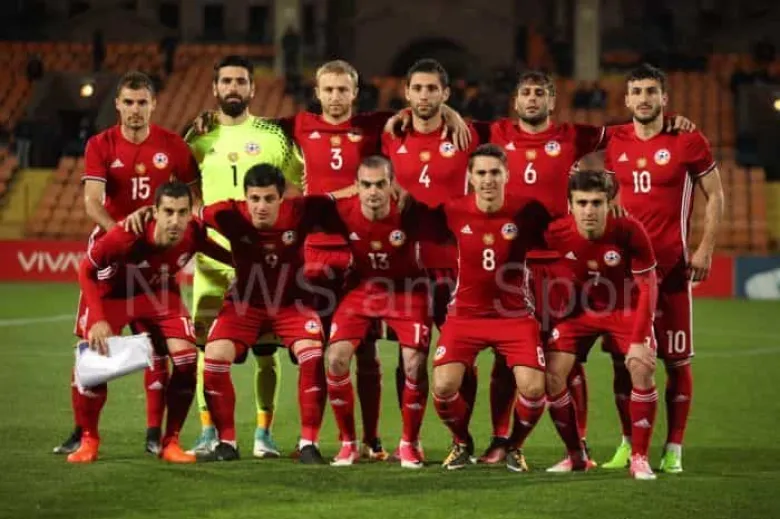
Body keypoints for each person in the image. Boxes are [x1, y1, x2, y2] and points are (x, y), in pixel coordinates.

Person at [53, 71, 198, 457]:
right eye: (129, 102)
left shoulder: (173, 146)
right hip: (113, 261)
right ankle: (83, 432)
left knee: (164, 350)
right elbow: (92, 201)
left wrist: (172, 230)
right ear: (117, 104)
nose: (135, 110)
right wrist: (120, 234)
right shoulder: (101, 144)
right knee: (92, 352)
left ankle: (157, 434)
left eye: (142, 103)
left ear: (154, 105)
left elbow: (193, 197)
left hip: (156, 263)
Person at [602, 63, 724, 473]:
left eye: (651, 91)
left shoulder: (687, 139)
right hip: (624, 276)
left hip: (671, 270)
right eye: (636, 91)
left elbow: (715, 194)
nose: (643, 98)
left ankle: (674, 447)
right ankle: (626, 442)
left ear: (664, 98)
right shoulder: (615, 141)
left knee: (676, 360)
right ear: (626, 99)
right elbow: (604, 197)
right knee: (623, 361)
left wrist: (705, 248)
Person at [185, 55, 303, 459]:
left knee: (266, 351)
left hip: (263, 264)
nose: (233, 87)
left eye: (240, 81)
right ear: (215, 88)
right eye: (226, 81)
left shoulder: (273, 136)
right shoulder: (198, 137)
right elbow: (182, 186)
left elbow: (304, 182)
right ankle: (208, 430)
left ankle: (263, 433)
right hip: (212, 263)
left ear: (252, 88)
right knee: (205, 348)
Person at [67, 181, 230, 464]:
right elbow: (86, 270)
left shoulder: (193, 231)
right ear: (155, 211)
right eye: (168, 212)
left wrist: (248, 262)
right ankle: (89, 440)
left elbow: (215, 250)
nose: (175, 220)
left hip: (158, 292)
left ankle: (171, 442)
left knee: (187, 359)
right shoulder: (127, 235)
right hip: (114, 295)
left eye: (182, 212)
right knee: (93, 362)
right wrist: (98, 320)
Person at [194, 164, 346, 464]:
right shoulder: (228, 213)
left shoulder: (300, 210)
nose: (261, 206)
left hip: (292, 304)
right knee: (213, 359)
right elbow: (192, 216)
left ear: (281, 198)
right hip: (244, 305)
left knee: (313, 356)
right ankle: (227, 442)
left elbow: (343, 202)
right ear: (245, 197)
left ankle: (308, 444)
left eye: (268, 199)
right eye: (254, 198)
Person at [419, 144, 551, 471]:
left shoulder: (528, 211)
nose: (488, 179)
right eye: (481, 173)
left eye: (494, 172)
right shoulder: (452, 210)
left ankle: (514, 446)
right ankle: (461, 442)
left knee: (534, 388)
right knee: (443, 386)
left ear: (507, 175)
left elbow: (562, 232)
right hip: (466, 314)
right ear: (470, 177)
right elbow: (413, 222)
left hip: (514, 315)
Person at [381, 58, 479, 457]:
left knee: (463, 356)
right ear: (406, 93)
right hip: (405, 266)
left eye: (433, 89)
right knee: (410, 356)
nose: (424, 95)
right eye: (417, 89)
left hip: (454, 263)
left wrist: (452, 115)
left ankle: (462, 439)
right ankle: (411, 440)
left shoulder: (466, 135)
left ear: (446, 94)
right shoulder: (390, 135)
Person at [543, 170, 659, 480]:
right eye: (582, 203)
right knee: (551, 375)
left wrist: (639, 339)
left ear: (609, 204)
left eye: (596, 203)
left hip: (625, 308)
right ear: (570, 205)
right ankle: (576, 456)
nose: (589, 210)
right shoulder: (556, 232)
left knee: (640, 366)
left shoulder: (629, 230)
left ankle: (639, 457)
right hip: (580, 312)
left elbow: (648, 285)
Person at [326, 156, 436, 469]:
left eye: (380, 184)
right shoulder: (342, 211)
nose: (373, 191)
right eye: (366, 185)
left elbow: (445, 223)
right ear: (356, 187)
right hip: (364, 289)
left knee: (414, 363)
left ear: (391, 185)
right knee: (335, 359)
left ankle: (409, 444)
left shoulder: (410, 212)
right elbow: (304, 210)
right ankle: (348, 444)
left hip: (407, 290)